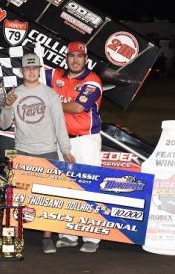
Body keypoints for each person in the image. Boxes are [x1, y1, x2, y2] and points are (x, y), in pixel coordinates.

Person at [0, 53, 75, 254]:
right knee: (18, 198)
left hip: (48, 151)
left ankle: (47, 238)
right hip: (23, 151)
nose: (31, 71)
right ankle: (12, 238)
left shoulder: (50, 94)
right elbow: (4, 124)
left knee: (48, 197)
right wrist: (7, 106)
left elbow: (60, 124)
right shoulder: (14, 94)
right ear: (21, 71)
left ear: (39, 70)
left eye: (34, 68)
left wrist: (66, 150)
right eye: (27, 68)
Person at [46, 41, 103, 253]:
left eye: (80, 56)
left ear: (86, 59)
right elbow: (28, 75)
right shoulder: (54, 76)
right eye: (71, 56)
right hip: (60, 140)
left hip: (85, 140)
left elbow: (78, 106)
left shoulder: (92, 80)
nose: (75, 60)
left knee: (89, 186)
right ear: (66, 57)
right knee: (64, 187)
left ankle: (92, 237)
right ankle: (68, 235)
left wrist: (49, 103)